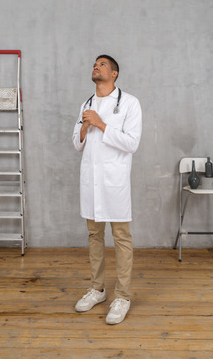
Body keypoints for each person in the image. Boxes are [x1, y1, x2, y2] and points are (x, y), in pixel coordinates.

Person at [72, 55, 142, 324]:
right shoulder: (86, 104)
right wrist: (85, 126)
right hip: (91, 180)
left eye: (102, 64)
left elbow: (132, 143)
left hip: (115, 182)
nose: (96, 66)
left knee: (122, 237)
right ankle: (97, 289)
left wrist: (101, 123)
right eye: (94, 64)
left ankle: (122, 296)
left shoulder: (129, 103)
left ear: (114, 73)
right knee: (94, 235)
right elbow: (77, 144)